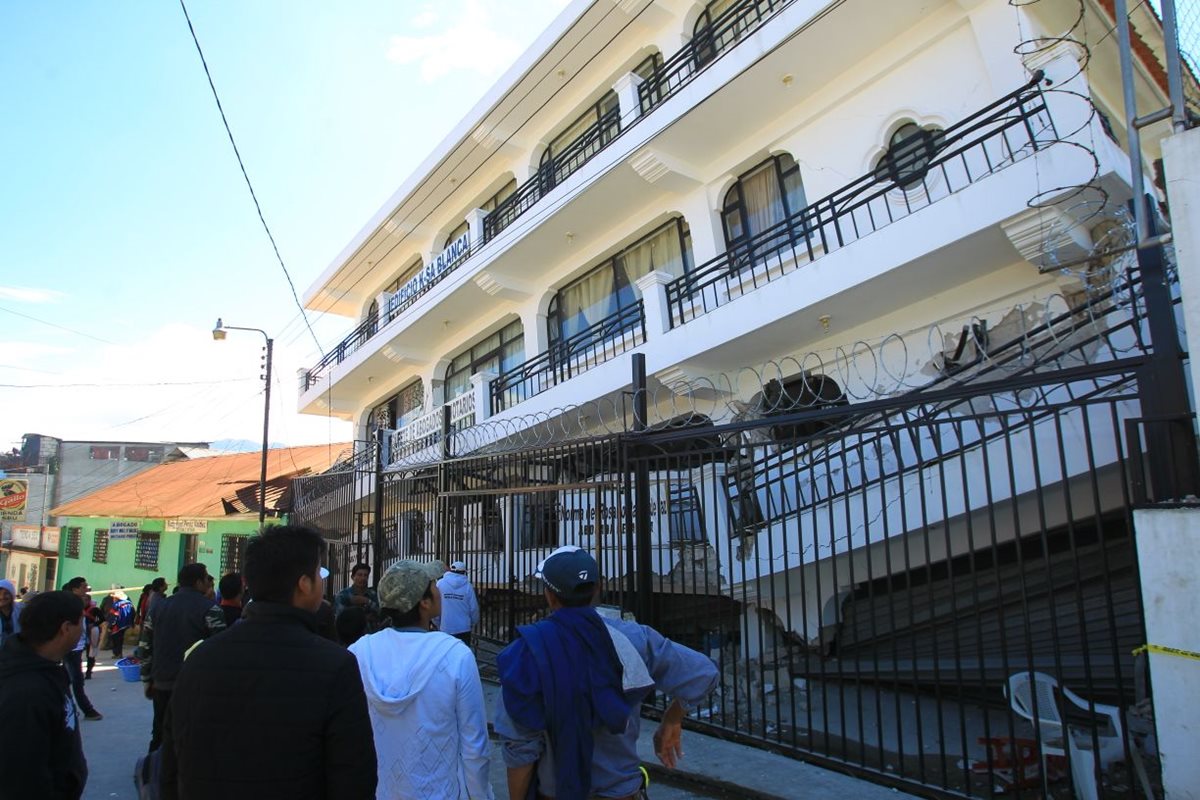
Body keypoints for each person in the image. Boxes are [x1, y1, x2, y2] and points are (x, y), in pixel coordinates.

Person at [160, 524, 376, 800]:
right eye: (318, 574)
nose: (322, 583)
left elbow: (170, 768)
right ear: (304, 584)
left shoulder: (200, 658)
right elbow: (354, 776)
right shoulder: (336, 666)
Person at [496, 546, 720, 800]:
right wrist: (673, 717)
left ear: (549, 595)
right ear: (598, 588)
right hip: (622, 792)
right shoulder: (636, 639)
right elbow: (704, 674)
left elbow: (520, 747)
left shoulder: (528, 651)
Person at [349, 560, 493, 799]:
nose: (439, 588)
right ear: (424, 603)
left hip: (384, 791)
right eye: (433, 584)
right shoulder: (455, 655)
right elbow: (474, 746)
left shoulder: (359, 652)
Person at [0, 590, 89, 799]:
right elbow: (20, 780)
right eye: (81, 622)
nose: (83, 629)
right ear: (66, 628)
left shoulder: (49, 671)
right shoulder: (26, 694)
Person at [138, 564, 224, 753]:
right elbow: (220, 650)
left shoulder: (159, 607)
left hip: (162, 682)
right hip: (195, 686)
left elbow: (145, 646)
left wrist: (146, 678)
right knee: (190, 737)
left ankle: (153, 774)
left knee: (159, 731)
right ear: (199, 582)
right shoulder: (211, 609)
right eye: (206, 579)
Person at [62, 577, 102, 721]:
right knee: (77, 680)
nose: (86, 589)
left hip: (77, 646)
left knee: (66, 679)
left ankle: (65, 708)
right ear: (75, 589)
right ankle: (88, 710)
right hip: (71, 648)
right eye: (84, 587)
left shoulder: (78, 605)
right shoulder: (69, 606)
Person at [437, 560, 480, 645]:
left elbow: (435, 605)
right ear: (464, 572)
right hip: (463, 628)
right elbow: (474, 608)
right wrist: (473, 622)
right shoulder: (468, 586)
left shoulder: (440, 584)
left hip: (446, 627)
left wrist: (438, 623)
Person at [334, 562, 380, 628]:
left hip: (371, 634)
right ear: (352, 577)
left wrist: (367, 601)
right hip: (350, 634)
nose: (363, 578)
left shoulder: (372, 594)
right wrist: (366, 617)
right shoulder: (343, 595)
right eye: (359, 575)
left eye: (365, 575)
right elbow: (341, 618)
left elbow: (380, 613)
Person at [107, 589, 135, 659]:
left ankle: (117, 653)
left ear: (116, 598)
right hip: (126, 624)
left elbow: (114, 616)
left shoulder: (116, 605)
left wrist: (110, 626)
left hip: (117, 625)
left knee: (116, 640)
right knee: (121, 639)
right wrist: (132, 622)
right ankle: (119, 653)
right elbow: (133, 613)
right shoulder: (129, 603)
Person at [0, 578, 22, 648]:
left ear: (12, 595)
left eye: (6, 593)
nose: (2, 597)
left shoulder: (21, 610)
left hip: (16, 653)